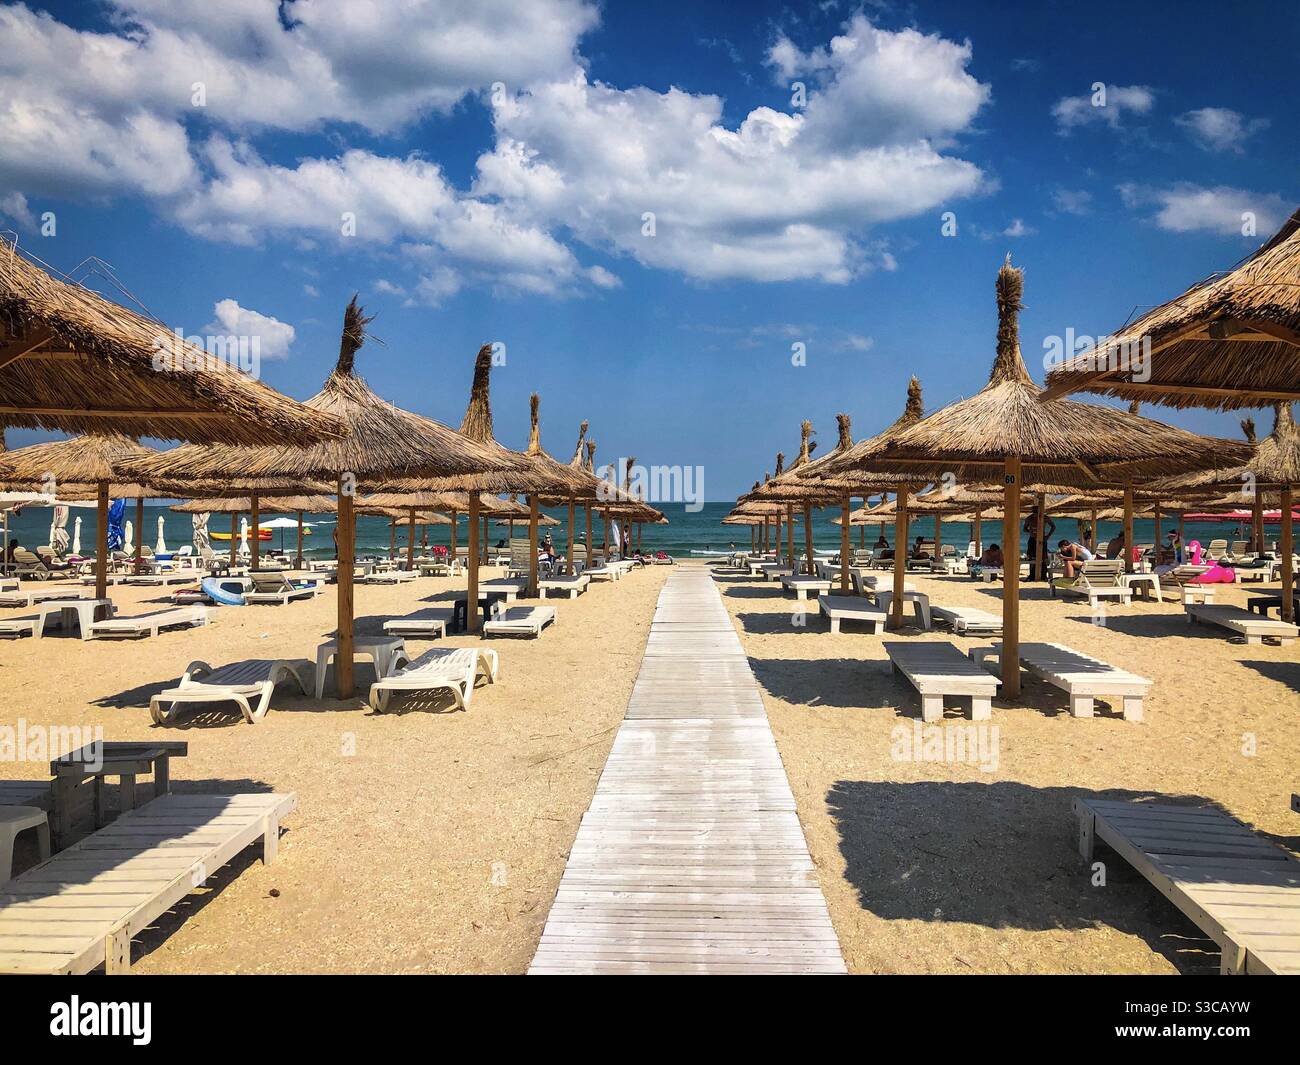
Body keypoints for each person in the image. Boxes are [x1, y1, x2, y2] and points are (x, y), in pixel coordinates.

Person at [1024, 509, 1056, 581]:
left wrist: (1048, 536)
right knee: (1032, 557)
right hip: (1032, 539)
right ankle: (1032, 575)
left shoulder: (1045, 518)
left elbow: (1053, 526)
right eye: (1034, 512)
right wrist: (1031, 531)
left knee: (1043, 557)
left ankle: (1043, 575)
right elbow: (1024, 529)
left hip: (1042, 539)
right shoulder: (1029, 518)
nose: (1035, 514)